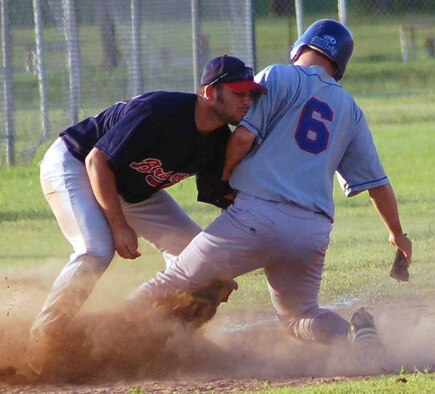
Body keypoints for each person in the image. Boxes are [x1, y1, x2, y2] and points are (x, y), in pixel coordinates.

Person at [132, 20, 412, 371]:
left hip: (256, 217)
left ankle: (95, 335)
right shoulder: (350, 109)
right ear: (339, 65)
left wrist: (223, 179)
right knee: (300, 316)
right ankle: (354, 336)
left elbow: (243, 138)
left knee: (170, 281)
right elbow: (377, 184)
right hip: (311, 232)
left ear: (301, 47)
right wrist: (397, 233)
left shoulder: (279, 76)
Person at [24, 55, 266, 376]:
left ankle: (149, 343)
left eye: (250, 94)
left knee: (206, 264)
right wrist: (118, 225)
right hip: (75, 162)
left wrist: (266, 215)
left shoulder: (218, 140)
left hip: (131, 187)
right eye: (238, 93)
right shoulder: (160, 112)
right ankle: (44, 340)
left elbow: (217, 194)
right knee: (96, 249)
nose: (246, 101)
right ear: (209, 92)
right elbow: (98, 162)